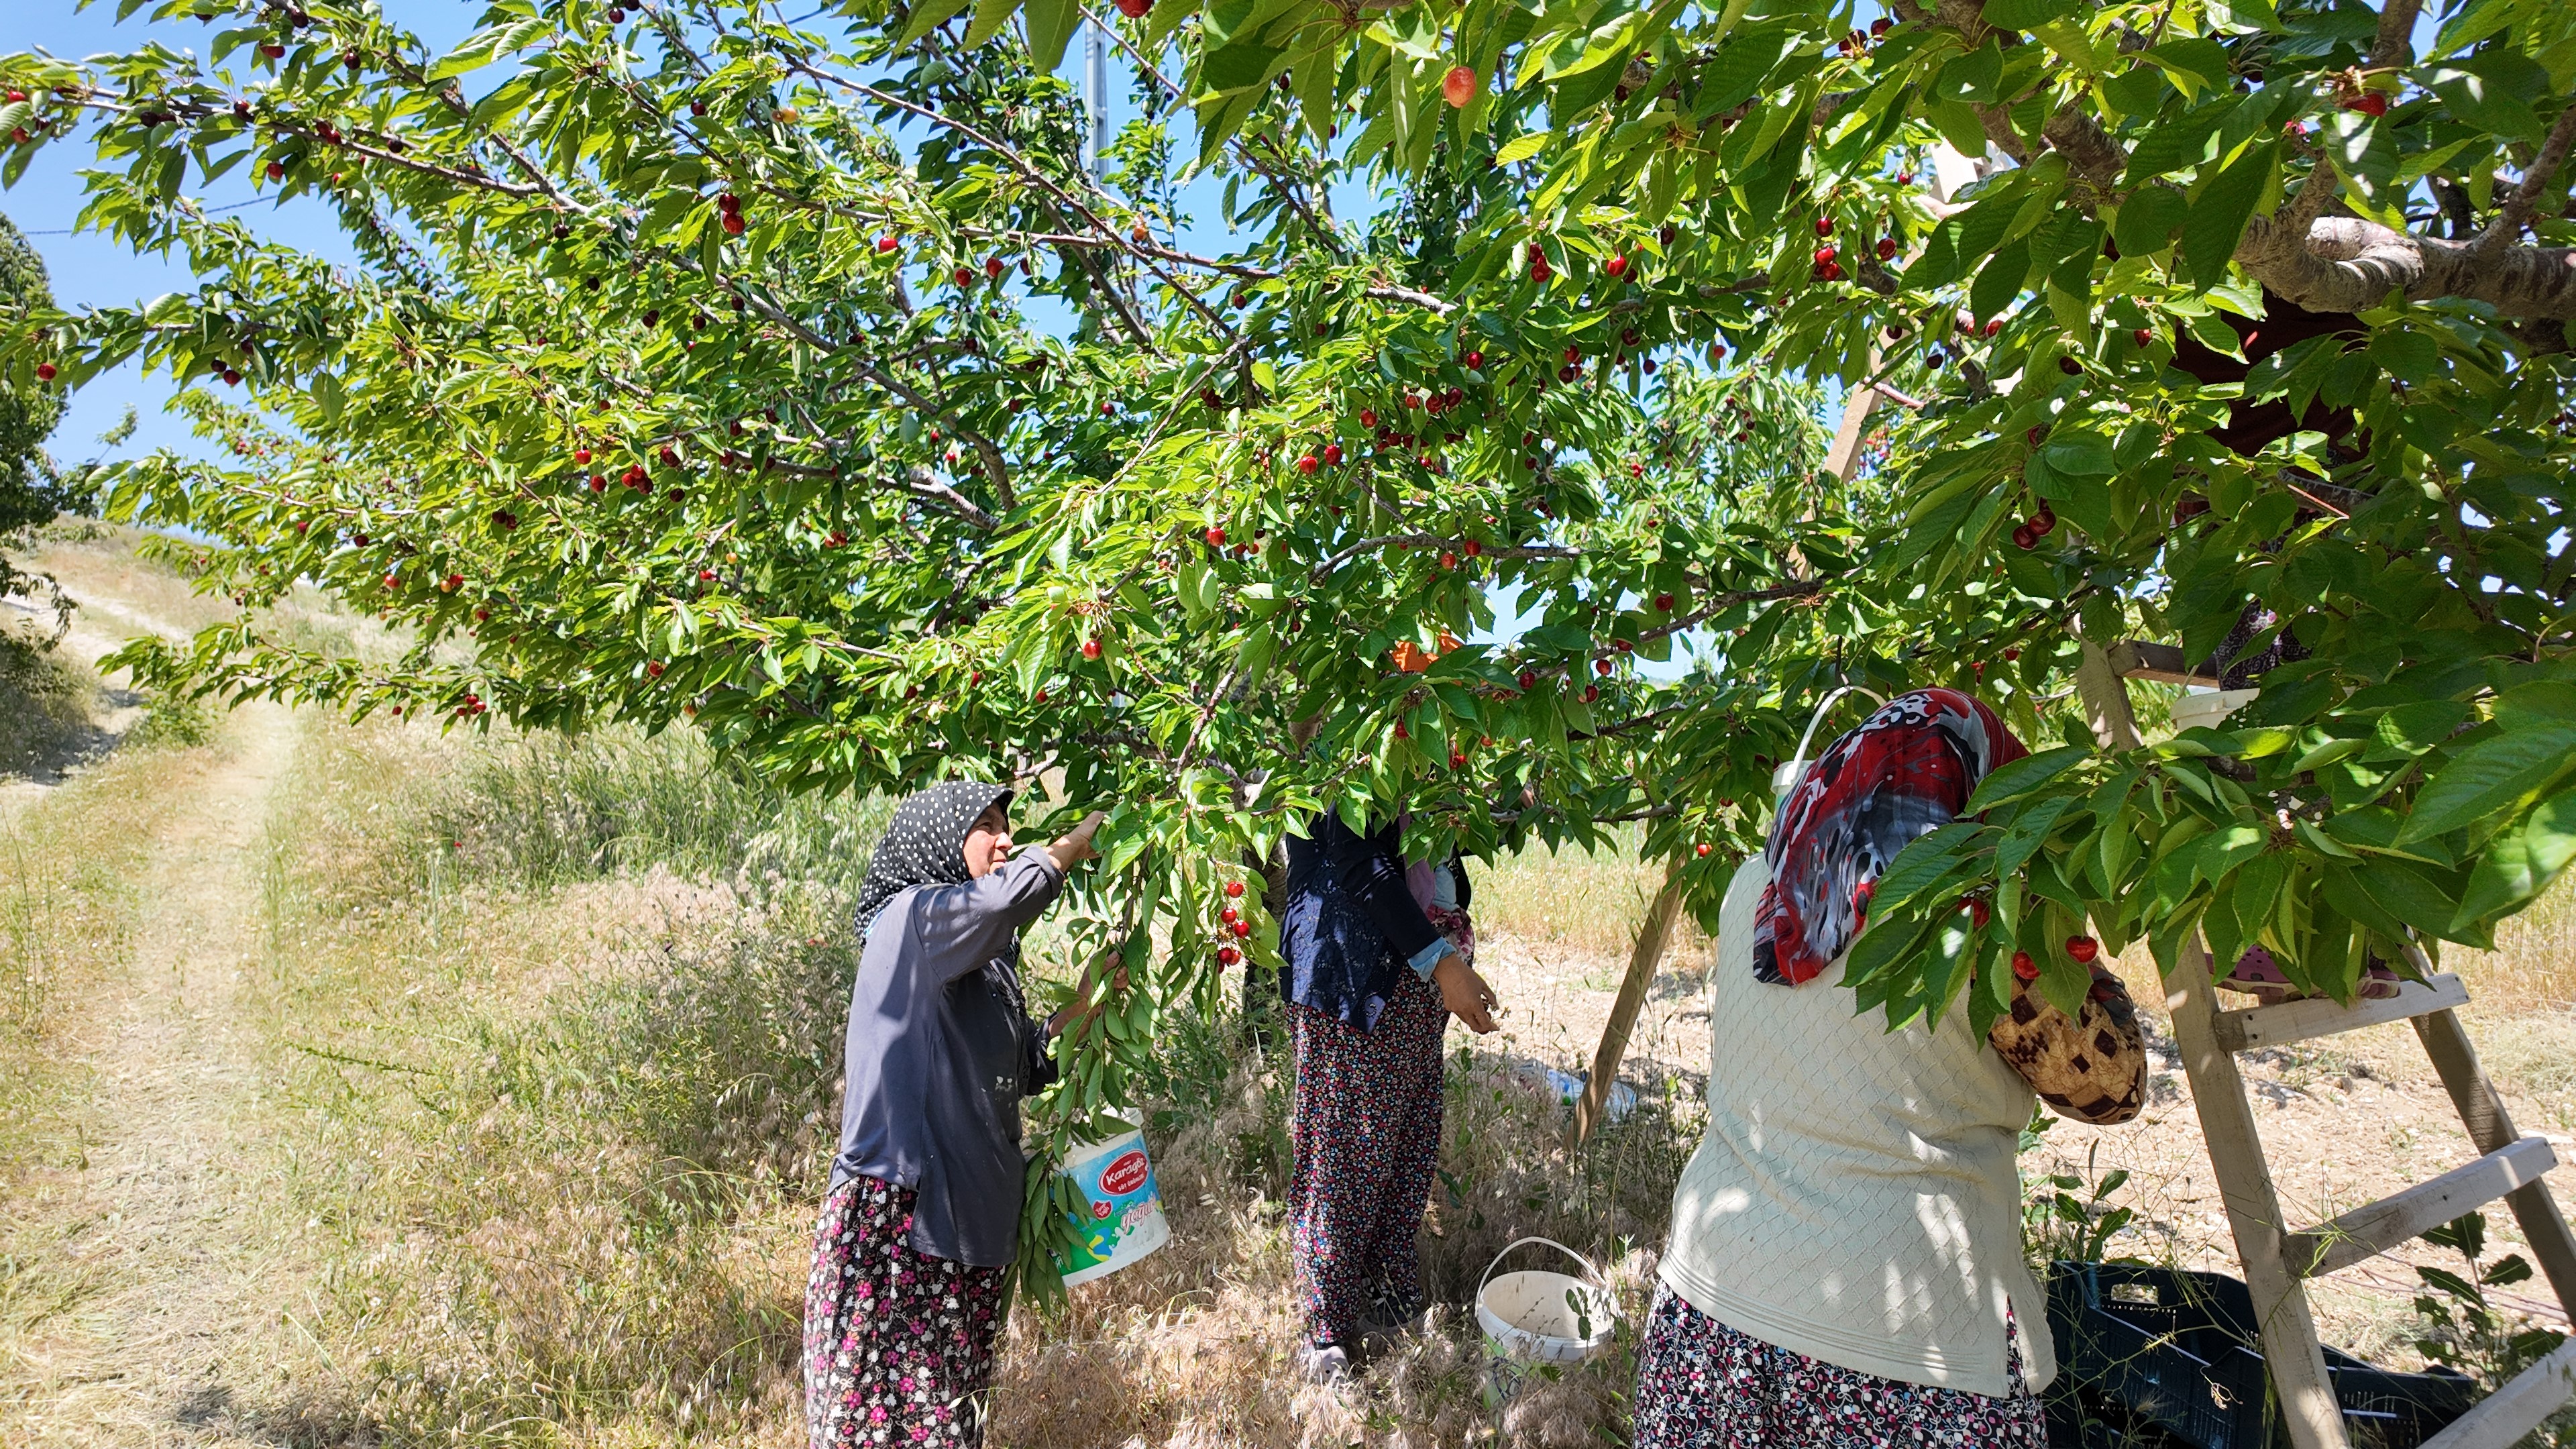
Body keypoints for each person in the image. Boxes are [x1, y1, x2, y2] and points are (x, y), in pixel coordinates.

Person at [1635, 689, 2147, 1448]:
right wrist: (2069, 950)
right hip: (1906, 1347)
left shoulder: (1757, 886)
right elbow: (2112, 1088)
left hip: (1714, 1303)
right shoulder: (1986, 923)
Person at [803, 783, 1105, 1449]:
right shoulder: (911, 920)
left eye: (1007, 825)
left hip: (969, 1235)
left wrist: (1091, 999)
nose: (1006, 839)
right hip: (903, 1228)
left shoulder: (987, 968)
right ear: (939, 839)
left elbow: (1027, 1067)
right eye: (987, 825)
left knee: (952, 1426)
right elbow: (1003, 900)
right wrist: (1075, 841)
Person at [1279, 806, 1504, 1383]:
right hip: (1355, 974)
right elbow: (1358, 858)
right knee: (1347, 1158)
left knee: (1405, 1147)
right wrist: (1443, 964)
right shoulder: (1352, 757)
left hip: (1412, 978)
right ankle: (1325, 1330)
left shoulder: (1425, 761)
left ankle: (1385, 1296)